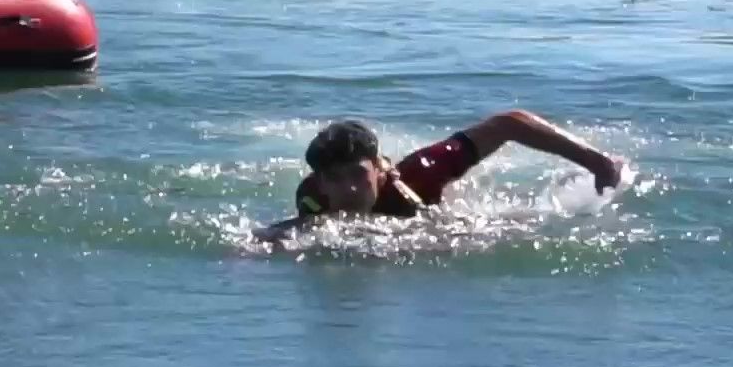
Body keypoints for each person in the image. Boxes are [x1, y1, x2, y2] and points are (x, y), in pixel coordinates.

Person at [258, 109, 625, 241]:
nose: (350, 189)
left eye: (358, 174)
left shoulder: (420, 175)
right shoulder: (312, 197)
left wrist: (596, 162)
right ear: (321, 181)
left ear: (379, 169)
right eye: (336, 179)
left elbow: (508, 124)